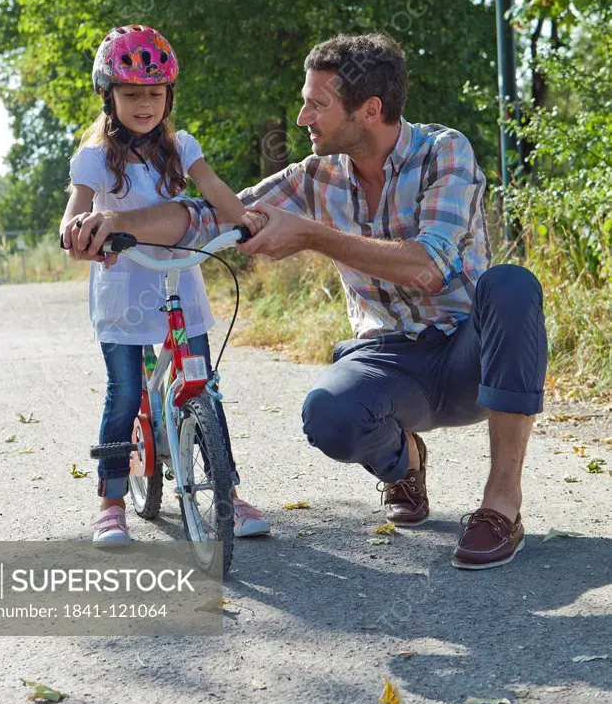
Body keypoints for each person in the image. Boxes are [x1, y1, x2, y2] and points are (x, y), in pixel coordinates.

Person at [66, 32, 548, 570]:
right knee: (328, 415)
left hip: (469, 355)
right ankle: (406, 461)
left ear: (369, 110)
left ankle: (501, 506)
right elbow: (209, 215)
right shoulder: (317, 176)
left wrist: (314, 235)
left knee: (512, 285)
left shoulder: (443, 152)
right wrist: (116, 222)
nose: (302, 117)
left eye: (316, 104)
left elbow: (427, 267)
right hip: (389, 357)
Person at [60, 24, 270, 545]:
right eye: (131, 93)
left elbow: (214, 188)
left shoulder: (180, 147)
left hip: (178, 277)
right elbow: (76, 211)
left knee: (203, 385)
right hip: (124, 285)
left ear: (169, 95)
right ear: (109, 97)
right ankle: (111, 502)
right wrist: (73, 230)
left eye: (155, 93)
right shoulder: (94, 157)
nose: (145, 104)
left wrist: (244, 219)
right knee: (126, 390)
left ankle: (229, 494)